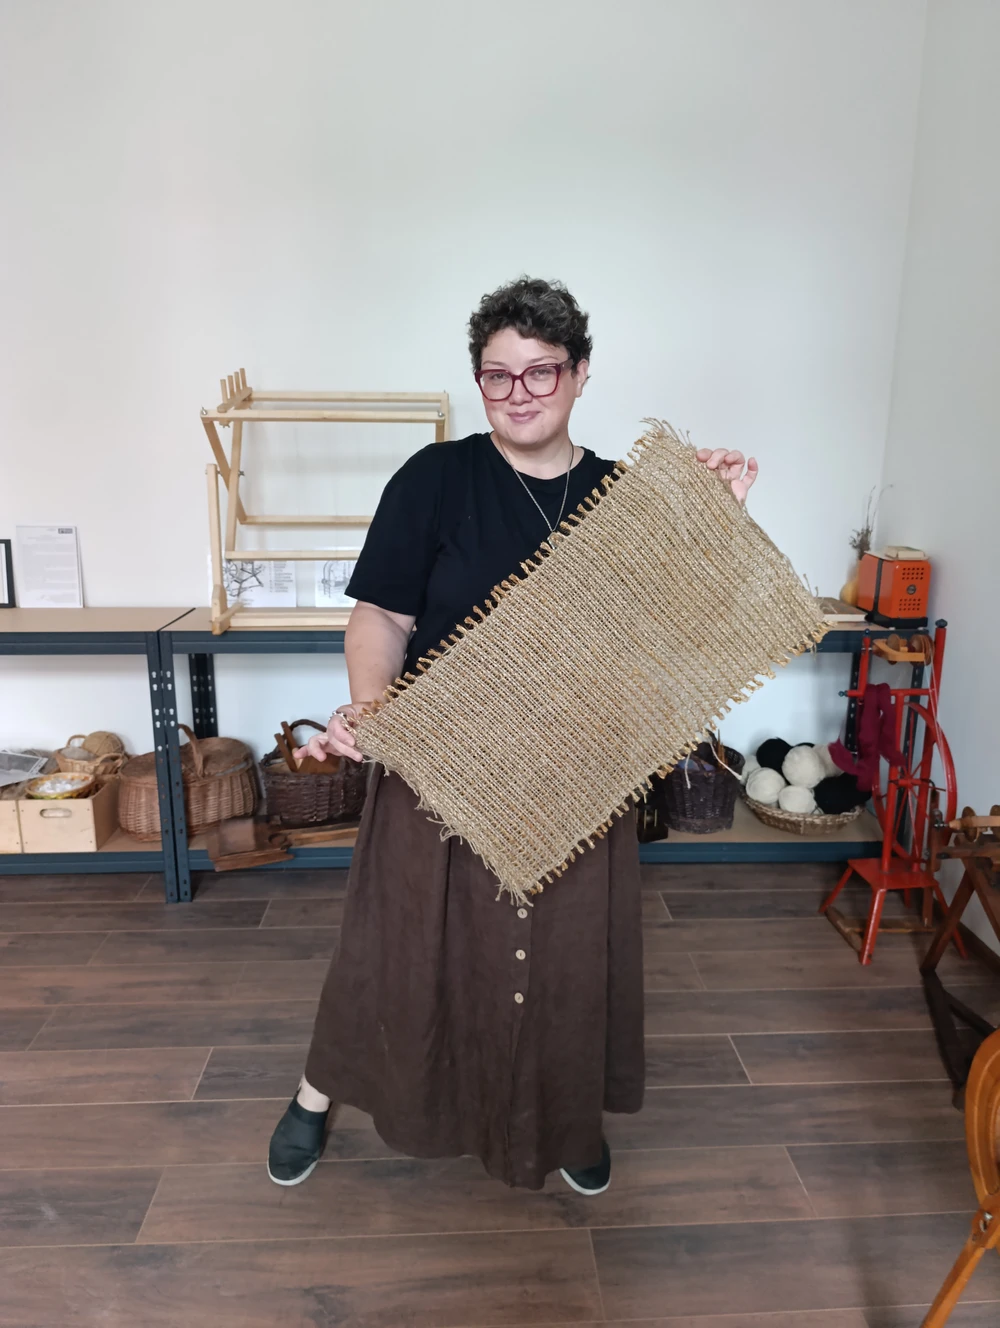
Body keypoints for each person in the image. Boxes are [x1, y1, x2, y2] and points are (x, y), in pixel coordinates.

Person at [267, 276, 758, 1193]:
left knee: (564, 961)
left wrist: (710, 523)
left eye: (542, 371)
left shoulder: (619, 498)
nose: (520, 392)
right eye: (499, 375)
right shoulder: (435, 480)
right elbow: (381, 616)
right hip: (442, 769)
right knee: (396, 952)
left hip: (576, 778)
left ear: (581, 373)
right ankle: (315, 1094)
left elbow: (668, 636)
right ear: (479, 382)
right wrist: (373, 703)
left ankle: (564, 1119)